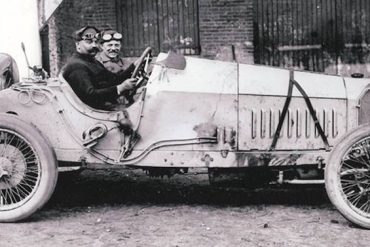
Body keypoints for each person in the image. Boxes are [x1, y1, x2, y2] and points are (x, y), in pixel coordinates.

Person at [62, 26, 137, 111]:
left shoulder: (91, 61)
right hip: (94, 111)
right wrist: (120, 88)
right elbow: (90, 95)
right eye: (89, 42)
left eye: (95, 42)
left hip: (102, 106)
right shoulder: (76, 66)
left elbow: (112, 79)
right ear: (78, 44)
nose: (94, 45)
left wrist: (133, 67)